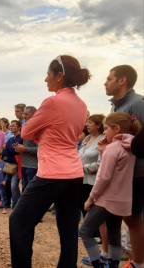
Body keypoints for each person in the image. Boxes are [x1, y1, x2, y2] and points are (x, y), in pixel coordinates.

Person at [9, 55, 90, 268]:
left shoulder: (53, 101)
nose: (46, 79)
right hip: (74, 172)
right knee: (69, 230)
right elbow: (68, 133)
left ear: (59, 76)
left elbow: (26, 131)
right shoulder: (81, 104)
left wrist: (39, 134)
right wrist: (42, 134)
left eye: (48, 74)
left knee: (18, 221)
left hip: (52, 172)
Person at [79, 112, 141, 268]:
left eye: (106, 129)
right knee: (114, 234)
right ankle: (112, 265)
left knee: (85, 232)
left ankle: (98, 264)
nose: (104, 133)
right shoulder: (132, 147)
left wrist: (91, 198)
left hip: (106, 199)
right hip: (123, 200)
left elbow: (103, 177)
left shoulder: (114, 147)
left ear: (117, 128)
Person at [104, 65, 144, 268]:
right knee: (123, 217)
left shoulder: (137, 103)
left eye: (109, 78)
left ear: (122, 81)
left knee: (133, 218)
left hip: (137, 173)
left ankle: (138, 263)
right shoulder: (116, 106)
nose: (105, 82)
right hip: (122, 172)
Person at [77, 114, 107, 266]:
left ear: (98, 125)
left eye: (90, 122)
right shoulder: (86, 139)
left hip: (93, 182)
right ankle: (97, 252)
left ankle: (104, 252)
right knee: (85, 212)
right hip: (81, 181)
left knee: (97, 218)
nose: (87, 124)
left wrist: (83, 168)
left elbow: (102, 163)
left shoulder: (103, 140)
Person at [15, 106, 39, 192]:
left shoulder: (37, 129)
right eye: (24, 114)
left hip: (33, 166)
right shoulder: (26, 127)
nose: (24, 116)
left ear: (34, 114)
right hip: (24, 165)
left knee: (32, 192)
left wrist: (24, 149)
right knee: (25, 191)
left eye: (27, 114)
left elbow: (40, 149)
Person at [4, 120, 23, 208]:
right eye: (10, 126)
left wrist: (9, 148)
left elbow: (12, 149)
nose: (11, 127)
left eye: (13, 125)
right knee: (14, 187)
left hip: (17, 163)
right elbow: (7, 151)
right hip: (10, 164)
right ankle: (18, 204)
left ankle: (15, 206)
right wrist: (10, 148)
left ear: (19, 127)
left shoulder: (21, 138)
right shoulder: (11, 139)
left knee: (13, 186)